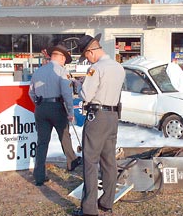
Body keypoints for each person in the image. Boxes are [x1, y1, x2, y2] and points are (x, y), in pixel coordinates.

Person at [72, 34, 125, 216]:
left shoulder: (95, 69)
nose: (87, 59)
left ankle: (89, 209)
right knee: (109, 161)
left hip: (97, 118)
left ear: (91, 51)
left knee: (90, 162)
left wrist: (79, 85)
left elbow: (86, 95)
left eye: (86, 56)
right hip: (113, 117)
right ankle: (107, 202)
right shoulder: (119, 68)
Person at [29, 44, 81, 186]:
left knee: (42, 142)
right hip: (57, 107)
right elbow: (67, 94)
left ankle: (39, 175)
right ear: (61, 57)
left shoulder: (38, 72)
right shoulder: (61, 72)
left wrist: (38, 104)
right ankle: (71, 163)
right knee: (64, 136)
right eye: (65, 59)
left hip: (41, 108)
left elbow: (31, 92)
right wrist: (70, 112)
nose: (65, 62)